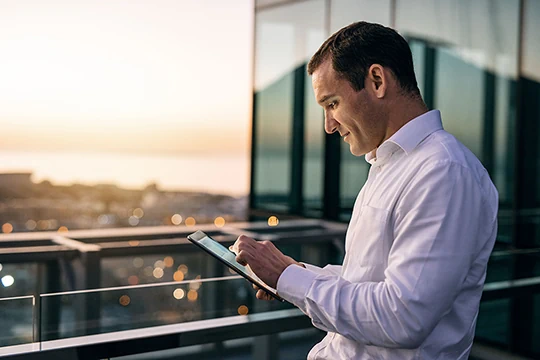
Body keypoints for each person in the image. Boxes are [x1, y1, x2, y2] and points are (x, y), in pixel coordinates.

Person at [233, 21, 498, 359]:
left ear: (376, 81)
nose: (328, 126)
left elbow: (403, 316)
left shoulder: (443, 172)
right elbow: (369, 281)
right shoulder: (391, 166)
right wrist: (295, 274)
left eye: (332, 104)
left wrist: (288, 279)